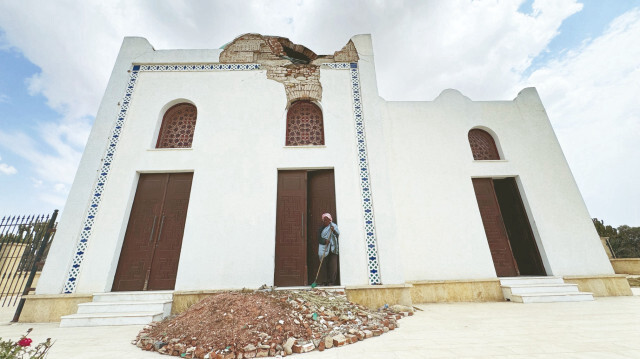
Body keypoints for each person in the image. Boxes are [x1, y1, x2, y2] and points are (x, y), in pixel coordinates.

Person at [318, 213, 339, 286]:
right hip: (324, 249)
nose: (326, 222)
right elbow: (319, 239)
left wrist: (333, 231)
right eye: (324, 220)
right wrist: (325, 241)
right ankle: (324, 281)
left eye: (328, 220)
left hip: (333, 249)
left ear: (330, 220)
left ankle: (331, 282)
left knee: (333, 266)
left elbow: (337, 234)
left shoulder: (334, 227)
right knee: (323, 265)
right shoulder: (321, 229)